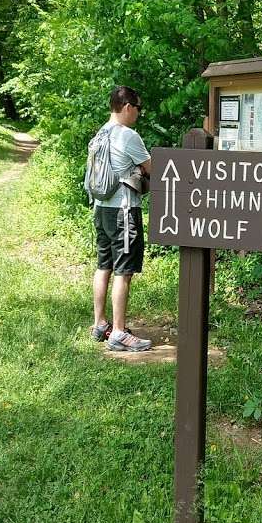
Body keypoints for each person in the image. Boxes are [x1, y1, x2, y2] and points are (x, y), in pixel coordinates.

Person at [89, 86, 153, 352]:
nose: (139, 114)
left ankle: (100, 324)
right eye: (138, 108)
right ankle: (118, 333)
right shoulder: (128, 136)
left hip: (101, 209)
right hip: (123, 212)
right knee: (123, 272)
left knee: (103, 265)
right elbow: (153, 168)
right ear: (127, 107)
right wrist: (139, 168)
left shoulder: (100, 133)